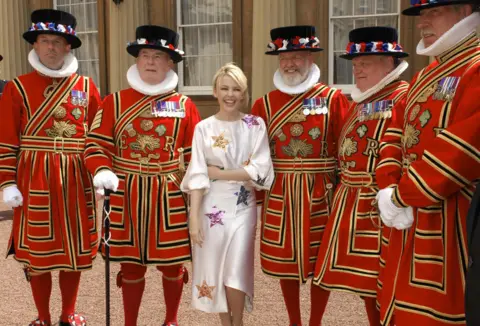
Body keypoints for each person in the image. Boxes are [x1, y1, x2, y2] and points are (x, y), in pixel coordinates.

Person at [84, 25, 201, 326]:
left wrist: (195, 187)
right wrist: (102, 169)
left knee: (172, 264)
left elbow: (195, 154)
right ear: (136, 60)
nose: (150, 61)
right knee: (131, 265)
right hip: (125, 190)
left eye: (158, 56)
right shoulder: (114, 102)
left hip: (170, 191)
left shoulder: (185, 106)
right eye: (145, 55)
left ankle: (171, 320)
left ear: (170, 63)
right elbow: (95, 144)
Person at [375, 1, 480, 325]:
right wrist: (388, 185)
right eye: (421, 15)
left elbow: (463, 147)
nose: (423, 22)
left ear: (464, 11)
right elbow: (393, 131)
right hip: (409, 215)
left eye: (433, 12)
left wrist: (402, 194)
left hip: (457, 220)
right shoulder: (426, 74)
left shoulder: (475, 67)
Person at [0, 9, 101, 326]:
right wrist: (6, 183)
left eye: (57, 41)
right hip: (34, 180)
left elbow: (97, 135)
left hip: (75, 179)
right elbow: (5, 141)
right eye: (45, 41)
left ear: (68, 46)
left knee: (74, 252)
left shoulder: (87, 87)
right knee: (39, 256)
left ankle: (68, 314)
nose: (51, 48)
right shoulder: (17, 88)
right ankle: (43, 318)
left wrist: (100, 171)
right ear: (35, 44)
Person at [251, 25, 350, 325]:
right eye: (284, 58)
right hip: (280, 191)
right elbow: (255, 156)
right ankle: (294, 321)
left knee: (321, 260)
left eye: (296, 56)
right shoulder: (264, 104)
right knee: (285, 262)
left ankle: (316, 321)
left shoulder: (333, 99)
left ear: (309, 57)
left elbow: (344, 147)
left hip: (322, 191)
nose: (290, 63)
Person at [311, 26, 410, 325]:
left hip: (382, 203)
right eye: (355, 63)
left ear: (389, 62)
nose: (357, 68)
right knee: (364, 283)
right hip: (351, 198)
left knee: (385, 281)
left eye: (365, 62)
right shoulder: (362, 100)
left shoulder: (402, 96)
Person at [180, 63, 274, 326]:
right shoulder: (204, 128)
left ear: (243, 93)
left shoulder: (255, 125)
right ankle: (225, 323)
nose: (230, 94)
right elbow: (198, 175)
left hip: (244, 208)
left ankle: (239, 322)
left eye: (236, 89)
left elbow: (260, 169)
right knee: (216, 268)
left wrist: (219, 173)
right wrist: (194, 218)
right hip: (210, 208)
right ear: (215, 91)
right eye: (224, 88)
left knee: (236, 270)